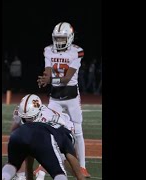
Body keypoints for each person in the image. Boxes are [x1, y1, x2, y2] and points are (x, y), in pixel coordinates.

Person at [37, 22, 91, 178]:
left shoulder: (77, 52)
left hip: (72, 96)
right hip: (54, 97)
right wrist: (45, 78)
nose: (59, 42)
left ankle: (82, 167)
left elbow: (67, 79)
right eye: (57, 38)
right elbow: (47, 71)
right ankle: (43, 165)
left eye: (62, 39)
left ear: (70, 38)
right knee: (49, 130)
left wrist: (49, 80)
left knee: (78, 131)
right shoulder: (48, 50)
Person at [2, 94, 85, 180]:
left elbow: (16, 134)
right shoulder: (23, 112)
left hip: (24, 136)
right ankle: (25, 175)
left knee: (12, 164)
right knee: (58, 171)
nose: (27, 121)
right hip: (40, 137)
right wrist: (80, 176)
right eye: (25, 118)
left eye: (30, 118)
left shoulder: (56, 121)